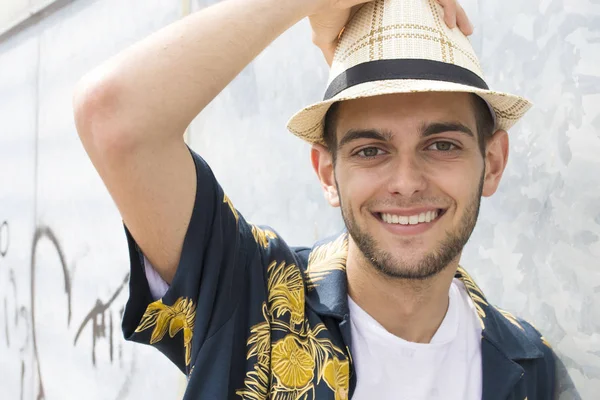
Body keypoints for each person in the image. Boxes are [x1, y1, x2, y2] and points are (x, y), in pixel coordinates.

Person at [73, 0, 556, 398]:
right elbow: (112, 116)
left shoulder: (527, 362)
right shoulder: (248, 297)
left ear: (492, 162)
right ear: (328, 172)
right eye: (371, 150)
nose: (407, 182)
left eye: (442, 145)